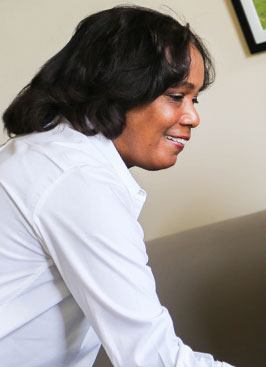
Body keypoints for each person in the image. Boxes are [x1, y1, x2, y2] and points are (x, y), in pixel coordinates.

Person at [0, 6, 231, 367]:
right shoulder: (75, 178)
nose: (193, 116)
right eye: (176, 95)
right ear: (119, 86)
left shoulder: (47, 155)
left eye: (194, 98)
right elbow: (154, 359)